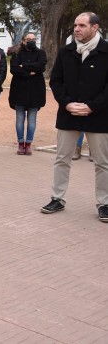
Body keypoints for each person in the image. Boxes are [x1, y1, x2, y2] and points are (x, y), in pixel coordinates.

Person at [42, 12, 108, 222]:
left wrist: (91, 107)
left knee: (102, 163)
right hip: (69, 114)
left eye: (82, 25)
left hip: (98, 116)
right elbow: (56, 81)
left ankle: (104, 203)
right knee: (62, 159)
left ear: (95, 28)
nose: (76, 29)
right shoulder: (66, 51)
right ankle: (57, 198)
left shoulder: (106, 52)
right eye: (75, 25)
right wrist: (68, 103)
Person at [8, 32, 47, 155]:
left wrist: (24, 65)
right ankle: (20, 143)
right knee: (20, 118)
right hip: (19, 90)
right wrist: (29, 72)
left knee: (32, 119)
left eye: (33, 39)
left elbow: (41, 66)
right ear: (23, 40)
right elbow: (14, 69)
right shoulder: (16, 53)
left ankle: (28, 144)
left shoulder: (41, 53)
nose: (31, 41)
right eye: (28, 39)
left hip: (35, 90)